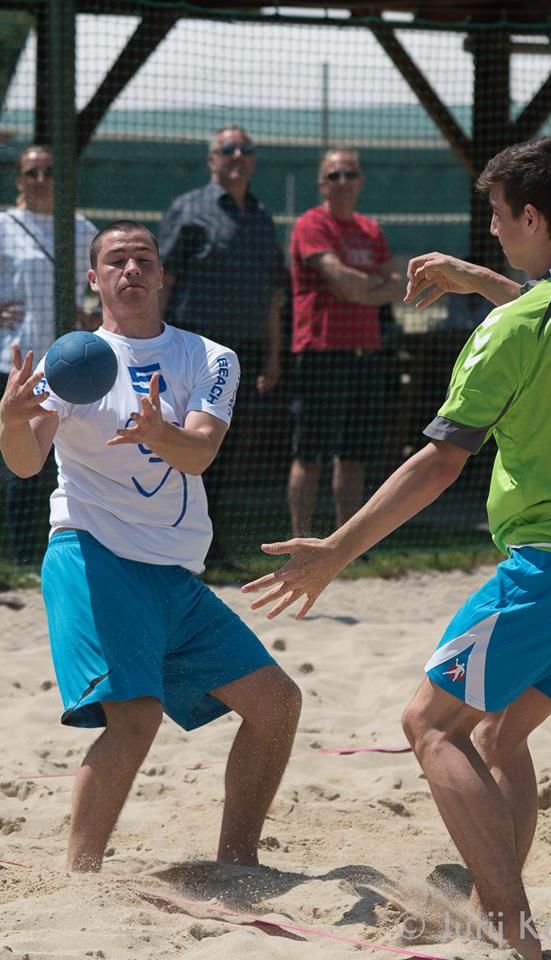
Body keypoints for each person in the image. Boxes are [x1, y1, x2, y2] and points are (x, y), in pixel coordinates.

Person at [242, 137, 551, 959]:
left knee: (428, 724)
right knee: (497, 735)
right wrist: (476, 278)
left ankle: (512, 931)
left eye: (497, 215)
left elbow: (438, 463)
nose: (491, 228)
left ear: (532, 217)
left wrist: (337, 549)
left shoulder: (507, 334)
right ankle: (499, 903)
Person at [0, 219, 301, 872]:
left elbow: (199, 452)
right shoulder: (71, 362)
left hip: (172, 573)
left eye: (143, 258)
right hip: (92, 554)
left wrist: (158, 432)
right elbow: (25, 463)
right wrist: (9, 421)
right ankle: (82, 880)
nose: (131, 269)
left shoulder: (209, 356)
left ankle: (237, 864)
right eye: (116, 261)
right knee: (135, 717)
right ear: (93, 279)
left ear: (163, 274)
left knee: (277, 705)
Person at [158, 124, 287, 567]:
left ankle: (207, 548)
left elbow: (273, 293)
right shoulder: (189, 209)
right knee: (185, 445)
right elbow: (164, 280)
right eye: (227, 149)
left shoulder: (261, 214)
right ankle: (172, 545)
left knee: (224, 451)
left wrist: (273, 355)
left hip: (244, 354)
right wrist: (152, 342)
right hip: (193, 350)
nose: (237, 155)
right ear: (212, 159)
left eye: (245, 149)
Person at [288, 148, 405, 538]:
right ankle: (301, 540)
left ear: (360, 181)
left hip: (366, 353)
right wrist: (372, 286)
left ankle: (346, 542)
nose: (342, 182)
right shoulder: (311, 224)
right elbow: (341, 281)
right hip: (321, 353)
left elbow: (398, 286)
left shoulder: (370, 229)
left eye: (349, 174)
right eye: (334, 175)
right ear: (322, 184)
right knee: (310, 454)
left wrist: (361, 287)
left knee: (354, 456)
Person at [0, 144, 96, 564]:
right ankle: (21, 554)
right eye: (32, 172)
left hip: (65, 364)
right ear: (19, 179)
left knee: (60, 453)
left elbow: (102, 281)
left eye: (49, 171)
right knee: (15, 452)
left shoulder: (81, 228)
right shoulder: (4, 225)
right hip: (13, 359)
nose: (41, 179)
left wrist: (91, 315)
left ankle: (53, 544)